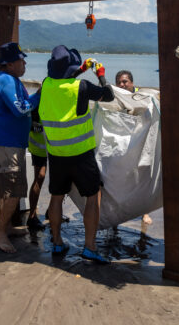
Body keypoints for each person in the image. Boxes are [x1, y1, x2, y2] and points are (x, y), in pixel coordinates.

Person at [39, 45, 114, 264]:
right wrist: (100, 75)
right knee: (92, 196)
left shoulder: (46, 85)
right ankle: (90, 247)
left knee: (57, 196)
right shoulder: (81, 87)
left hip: (56, 153)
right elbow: (108, 95)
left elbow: (64, 79)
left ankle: (57, 242)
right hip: (81, 153)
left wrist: (80, 68)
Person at [0, 42, 39, 253]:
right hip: (5, 144)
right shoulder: (6, 81)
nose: (24, 63)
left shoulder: (12, 80)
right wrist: (40, 94)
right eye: (20, 60)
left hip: (10, 143)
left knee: (10, 189)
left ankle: (5, 226)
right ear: (9, 64)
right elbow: (20, 109)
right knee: (12, 190)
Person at [114, 69, 151, 225]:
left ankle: (145, 213)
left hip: (140, 143)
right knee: (118, 178)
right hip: (123, 144)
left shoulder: (141, 97)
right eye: (119, 82)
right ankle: (116, 212)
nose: (122, 85)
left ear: (132, 83)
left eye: (125, 82)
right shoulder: (115, 97)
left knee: (141, 178)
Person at [26, 108, 47, 231]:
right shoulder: (37, 100)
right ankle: (32, 216)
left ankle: (53, 211)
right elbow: (27, 123)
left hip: (59, 144)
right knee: (40, 177)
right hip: (40, 146)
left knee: (60, 179)